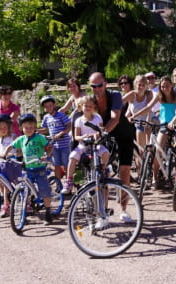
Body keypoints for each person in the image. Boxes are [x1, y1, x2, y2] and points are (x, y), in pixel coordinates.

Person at [88, 72, 136, 223]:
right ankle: (104, 213)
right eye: (93, 86)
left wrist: (102, 132)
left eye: (99, 85)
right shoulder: (91, 100)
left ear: (105, 84)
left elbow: (115, 118)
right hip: (105, 137)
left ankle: (123, 210)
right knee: (102, 172)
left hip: (124, 135)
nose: (97, 88)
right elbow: (82, 115)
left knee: (124, 171)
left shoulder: (114, 96)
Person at [130, 75, 176, 189]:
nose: (165, 88)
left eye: (167, 86)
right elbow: (149, 107)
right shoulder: (159, 95)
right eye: (163, 86)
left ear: (171, 86)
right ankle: (155, 178)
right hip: (164, 125)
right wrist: (135, 115)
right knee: (157, 152)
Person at [4, 113, 54, 225]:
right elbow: (11, 146)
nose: (29, 129)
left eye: (31, 127)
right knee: (25, 190)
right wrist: (4, 154)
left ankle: (48, 211)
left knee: (44, 190)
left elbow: (50, 147)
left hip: (40, 167)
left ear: (35, 127)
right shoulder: (21, 139)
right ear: (21, 128)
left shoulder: (39, 138)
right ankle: (24, 213)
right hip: (28, 168)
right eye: (26, 127)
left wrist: (47, 155)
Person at [61, 95, 109, 196]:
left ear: (94, 107)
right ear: (81, 106)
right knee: (72, 157)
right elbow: (76, 137)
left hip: (96, 144)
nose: (88, 108)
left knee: (105, 153)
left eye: (90, 106)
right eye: (86, 106)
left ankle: (103, 169)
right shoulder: (79, 120)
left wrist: (98, 134)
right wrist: (83, 137)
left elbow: (101, 130)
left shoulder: (97, 117)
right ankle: (68, 181)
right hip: (83, 144)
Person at [0, 114, 21, 218]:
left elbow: (18, 149)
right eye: (0, 128)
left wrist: (16, 155)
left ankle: (27, 203)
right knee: (4, 185)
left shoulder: (13, 137)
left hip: (13, 164)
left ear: (9, 127)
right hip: (2, 164)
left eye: (5, 127)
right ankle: (6, 206)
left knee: (19, 183)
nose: (3, 130)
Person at [124, 75, 153, 175]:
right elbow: (125, 107)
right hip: (137, 123)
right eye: (139, 85)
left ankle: (151, 169)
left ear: (146, 86)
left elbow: (149, 109)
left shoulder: (149, 94)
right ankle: (142, 173)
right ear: (135, 85)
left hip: (148, 122)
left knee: (149, 148)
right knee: (140, 150)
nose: (141, 87)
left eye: (143, 85)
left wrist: (148, 122)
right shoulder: (132, 95)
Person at [37, 95, 71, 181]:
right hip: (54, 145)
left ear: (54, 105)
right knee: (56, 164)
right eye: (46, 107)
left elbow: (69, 126)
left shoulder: (61, 115)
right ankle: (58, 184)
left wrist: (61, 133)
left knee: (66, 164)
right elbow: (45, 129)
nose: (48, 108)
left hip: (64, 144)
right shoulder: (46, 117)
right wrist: (36, 130)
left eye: (50, 106)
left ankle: (69, 184)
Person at [59, 78, 86, 149]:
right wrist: (54, 115)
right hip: (75, 122)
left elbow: (78, 109)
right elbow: (64, 108)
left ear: (78, 86)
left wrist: (68, 119)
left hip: (84, 122)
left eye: (74, 86)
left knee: (69, 136)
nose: (72, 88)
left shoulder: (83, 96)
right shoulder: (72, 97)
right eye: (70, 86)